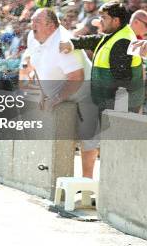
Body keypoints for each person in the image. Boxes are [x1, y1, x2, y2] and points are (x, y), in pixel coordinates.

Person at [25, 9, 98, 178]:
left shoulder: (63, 42)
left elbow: (76, 77)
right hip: (60, 90)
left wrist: (57, 98)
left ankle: (86, 183)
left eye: (36, 21)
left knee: (88, 137)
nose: (32, 25)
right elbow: (36, 65)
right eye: (32, 21)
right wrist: (43, 94)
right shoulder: (33, 36)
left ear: (50, 26)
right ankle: (57, 177)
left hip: (85, 92)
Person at [60, 2, 145, 113]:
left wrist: (119, 117)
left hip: (117, 110)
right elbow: (96, 40)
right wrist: (72, 43)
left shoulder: (122, 42)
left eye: (104, 18)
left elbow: (123, 85)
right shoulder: (118, 33)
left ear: (116, 20)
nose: (100, 21)